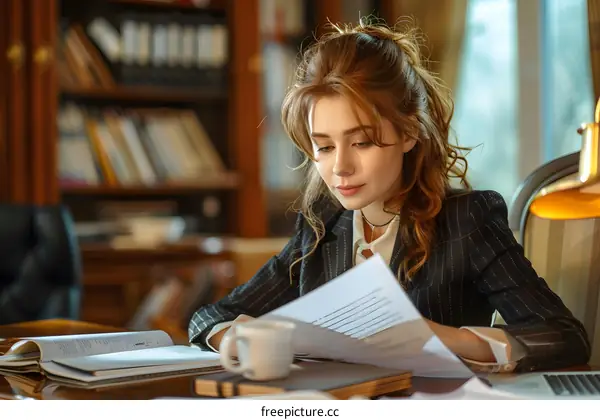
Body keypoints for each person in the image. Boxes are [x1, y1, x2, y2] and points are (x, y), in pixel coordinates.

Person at [188, 21, 590, 373]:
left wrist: (436, 338)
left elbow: (564, 336)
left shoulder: (469, 220)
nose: (340, 167)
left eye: (361, 142)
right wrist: (236, 338)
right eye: (324, 147)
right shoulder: (322, 223)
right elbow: (211, 316)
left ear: (409, 133)